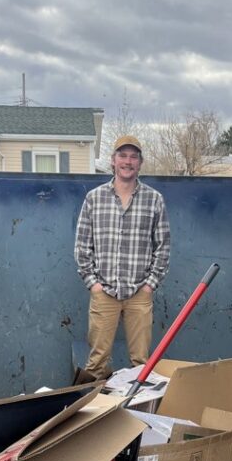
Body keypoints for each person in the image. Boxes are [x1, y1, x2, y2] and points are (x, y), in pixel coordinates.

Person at [74, 135, 170, 380]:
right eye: (123, 155)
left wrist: (149, 286)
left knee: (141, 364)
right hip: (104, 292)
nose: (128, 161)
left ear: (140, 163)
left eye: (133, 156)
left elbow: (163, 246)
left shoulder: (154, 200)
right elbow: (82, 246)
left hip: (139, 294)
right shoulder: (94, 199)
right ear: (113, 160)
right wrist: (93, 285)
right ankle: (89, 414)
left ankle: (138, 416)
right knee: (96, 363)